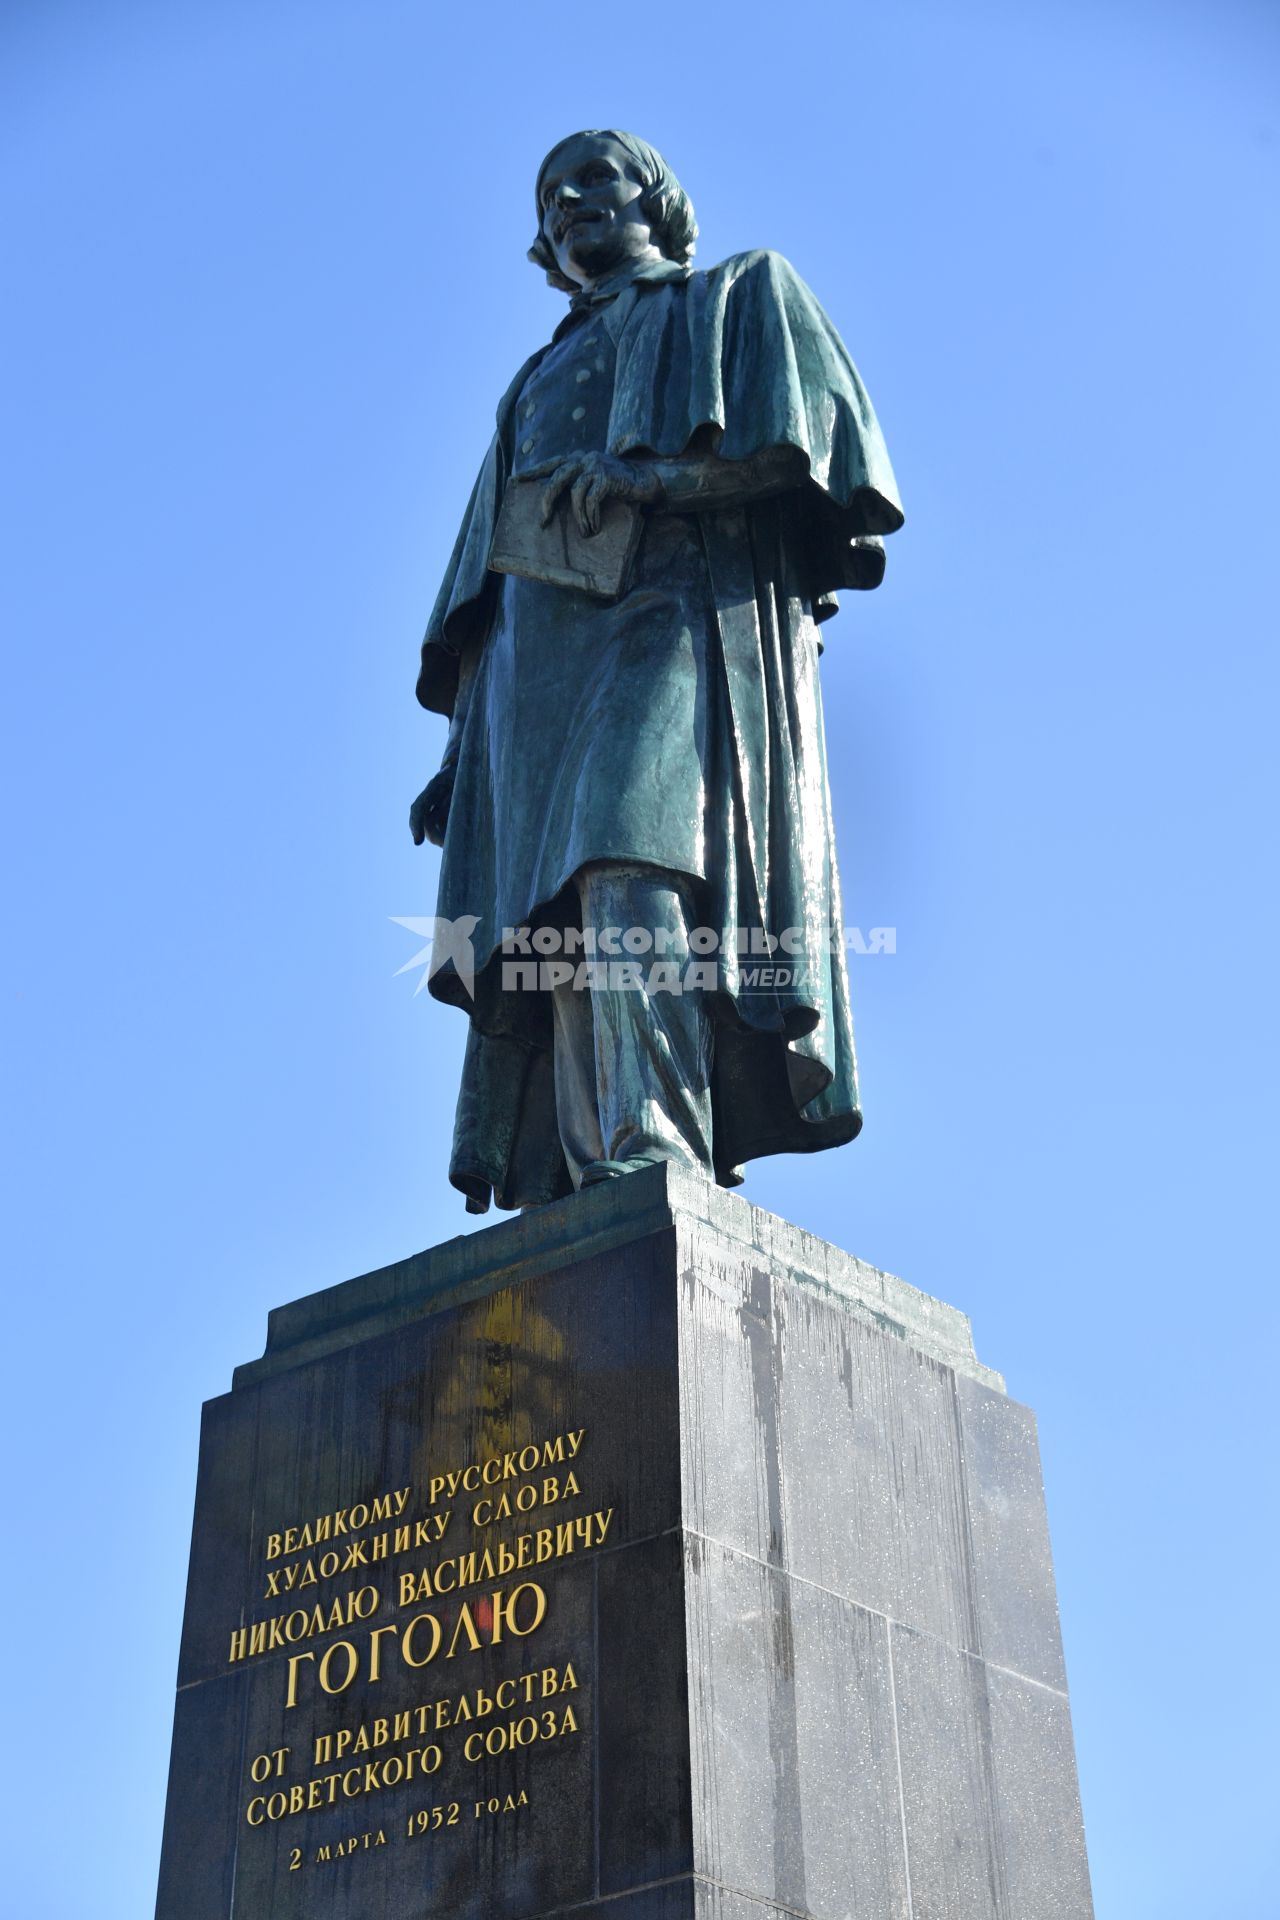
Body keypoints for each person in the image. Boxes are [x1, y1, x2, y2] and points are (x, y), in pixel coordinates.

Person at [411, 130, 903, 1215]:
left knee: (632, 862)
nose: (573, 201)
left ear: (658, 197)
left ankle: (653, 1144)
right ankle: (590, 1174)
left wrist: (649, 484)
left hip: (674, 624)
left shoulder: (735, 295)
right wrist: (457, 755)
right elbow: (484, 580)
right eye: (550, 195)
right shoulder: (528, 382)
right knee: (561, 915)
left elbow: (802, 455)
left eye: (597, 177)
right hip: (533, 678)